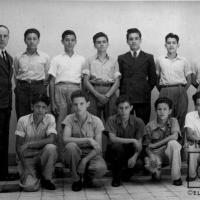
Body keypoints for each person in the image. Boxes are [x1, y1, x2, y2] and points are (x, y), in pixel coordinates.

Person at [62, 90, 107, 192]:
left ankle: (88, 178)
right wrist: (88, 139)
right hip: (76, 153)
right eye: (75, 104)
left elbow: (98, 147)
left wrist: (84, 161)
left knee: (101, 168)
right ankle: (76, 180)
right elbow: (65, 139)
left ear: (88, 104)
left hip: (91, 154)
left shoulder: (96, 121)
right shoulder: (69, 119)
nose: (78, 107)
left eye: (82, 104)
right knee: (70, 147)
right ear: (72, 105)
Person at [49, 30, 85, 144]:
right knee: (61, 121)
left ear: (75, 42)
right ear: (62, 42)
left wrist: (83, 98)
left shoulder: (81, 59)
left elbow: (84, 81)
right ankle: (60, 152)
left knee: (75, 119)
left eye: (72, 40)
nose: (69, 42)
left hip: (76, 90)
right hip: (60, 90)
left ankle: (73, 150)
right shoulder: (56, 59)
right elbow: (51, 82)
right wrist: (53, 102)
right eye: (67, 40)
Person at [15, 94, 57, 191]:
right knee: (29, 187)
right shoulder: (23, 120)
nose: (40, 110)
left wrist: (29, 144)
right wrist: (25, 168)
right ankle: (36, 176)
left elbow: (51, 139)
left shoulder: (50, 118)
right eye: (38, 106)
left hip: (41, 156)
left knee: (51, 147)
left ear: (47, 109)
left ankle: (46, 179)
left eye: (43, 107)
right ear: (32, 107)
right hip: (27, 159)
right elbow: (18, 147)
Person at [118, 28, 156, 124]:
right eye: (131, 39)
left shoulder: (149, 57)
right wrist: (124, 91)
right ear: (127, 41)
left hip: (143, 97)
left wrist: (145, 89)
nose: (133, 41)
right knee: (126, 124)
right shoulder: (121, 58)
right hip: (127, 98)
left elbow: (153, 79)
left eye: (136, 38)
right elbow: (119, 80)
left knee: (142, 124)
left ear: (140, 40)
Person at [105, 95, 145, 187]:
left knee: (139, 164)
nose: (123, 111)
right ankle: (116, 177)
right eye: (121, 108)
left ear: (131, 108)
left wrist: (134, 157)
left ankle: (126, 174)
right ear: (117, 109)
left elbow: (139, 145)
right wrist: (132, 140)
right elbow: (113, 138)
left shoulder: (138, 121)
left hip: (130, 152)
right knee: (117, 146)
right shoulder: (111, 120)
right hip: (115, 153)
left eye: (126, 108)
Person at [156, 33, 192, 132]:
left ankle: (179, 144)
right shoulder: (160, 60)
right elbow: (157, 78)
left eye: (174, 43)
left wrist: (182, 91)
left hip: (180, 90)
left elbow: (189, 79)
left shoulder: (184, 60)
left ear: (178, 45)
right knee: (165, 117)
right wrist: (163, 90)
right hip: (165, 90)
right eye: (168, 43)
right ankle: (166, 143)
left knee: (181, 116)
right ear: (165, 45)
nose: (171, 45)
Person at [143, 97, 182, 186]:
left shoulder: (173, 121)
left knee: (173, 143)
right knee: (156, 179)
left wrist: (155, 144)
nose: (162, 112)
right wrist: (152, 156)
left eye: (165, 109)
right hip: (157, 155)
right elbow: (147, 146)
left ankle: (176, 177)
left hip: (170, 153)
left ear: (170, 111)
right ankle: (157, 171)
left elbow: (175, 136)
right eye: (159, 109)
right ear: (156, 110)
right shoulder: (149, 126)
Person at [82, 32, 121, 121]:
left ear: (108, 44)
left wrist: (107, 96)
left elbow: (117, 81)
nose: (101, 44)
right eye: (98, 42)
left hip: (110, 92)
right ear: (94, 45)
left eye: (104, 42)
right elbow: (86, 81)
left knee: (111, 119)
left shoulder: (114, 61)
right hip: (94, 92)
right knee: (93, 120)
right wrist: (97, 95)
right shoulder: (89, 60)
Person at [14, 28, 50, 119]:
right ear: (25, 40)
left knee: (40, 116)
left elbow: (47, 75)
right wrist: (19, 86)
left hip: (39, 88)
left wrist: (40, 86)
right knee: (22, 116)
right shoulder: (18, 56)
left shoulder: (45, 57)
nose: (32, 41)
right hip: (22, 88)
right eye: (29, 39)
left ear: (38, 40)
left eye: (34, 39)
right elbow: (15, 74)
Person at [0, 25, 17, 181]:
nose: (2, 39)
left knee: (4, 139)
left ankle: (3, 173)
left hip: (5, 105)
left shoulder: (9, 57)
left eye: (5, 36)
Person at [184, 91, 200, 181]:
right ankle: (192, 175)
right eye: (198, 104)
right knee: (191, 147)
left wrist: (196, 137)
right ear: (195, 105)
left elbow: (194, 136)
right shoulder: (190, 116)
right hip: (196, 146)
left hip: (198, 142)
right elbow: (189, 135)